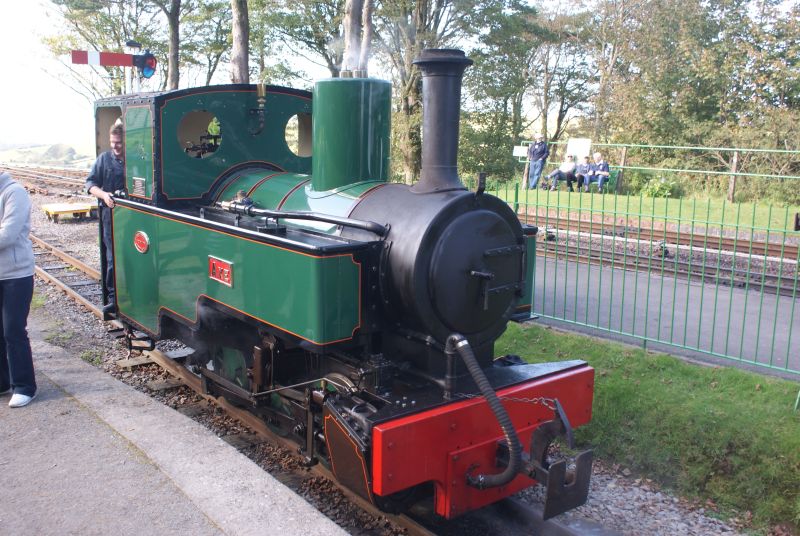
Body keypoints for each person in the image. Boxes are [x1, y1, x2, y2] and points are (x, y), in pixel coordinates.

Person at [0, 169, 37, 408]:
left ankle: (24, 386)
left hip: (16, 274)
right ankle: (3, 382)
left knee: (13, 330)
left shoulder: (15, 192)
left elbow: (8, 235)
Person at [86, 122, 125, 314]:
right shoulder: (103, 160)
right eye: (113, 142)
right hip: (110, 216)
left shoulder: (135, 160)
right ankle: (113, 298)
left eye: (118, 143)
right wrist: (104, 195)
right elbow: (91, 184)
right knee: (113, 257)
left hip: (132, 218)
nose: (115, 146)